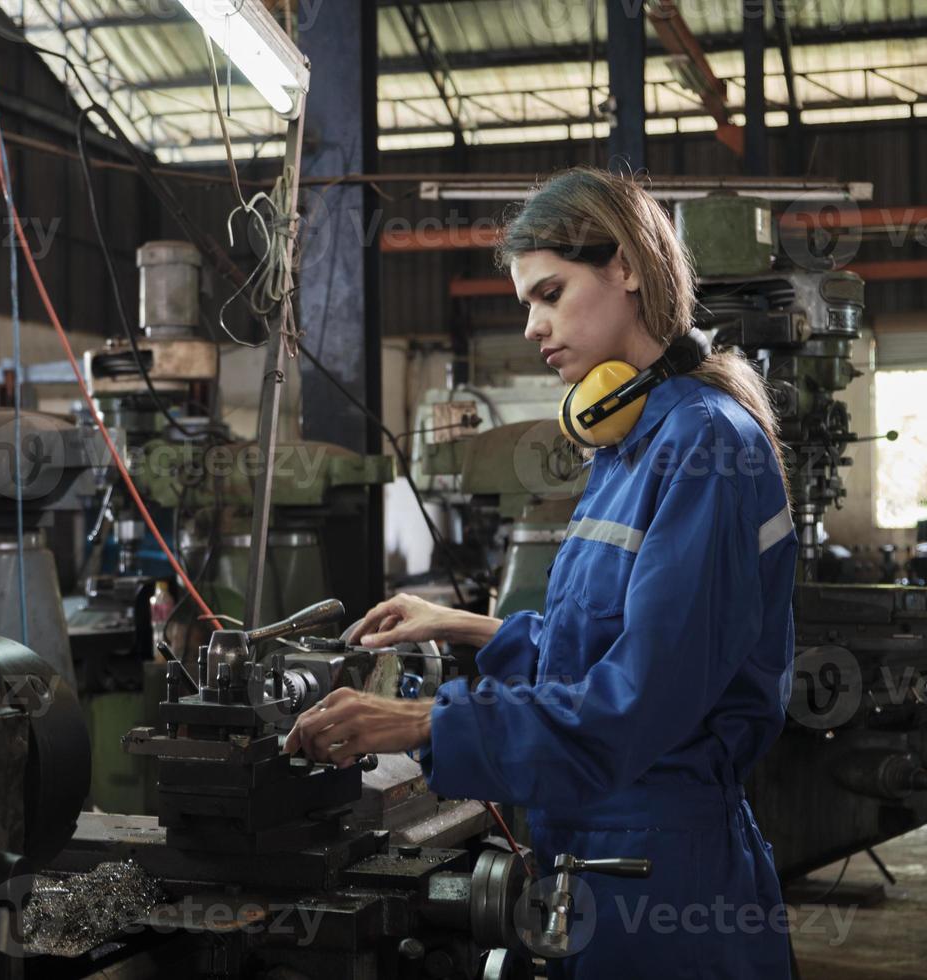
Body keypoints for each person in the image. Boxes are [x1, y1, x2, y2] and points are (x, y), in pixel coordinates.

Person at [283, 167, 797, 978]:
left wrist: (424, 725)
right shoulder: (629, 444)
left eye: (549, 293)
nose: (531, 326)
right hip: (595, 846)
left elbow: (638, 703)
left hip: (663, 872)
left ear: (625, 266)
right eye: (526, 301)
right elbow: (596, 648)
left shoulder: (703, 442)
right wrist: (461, 625)